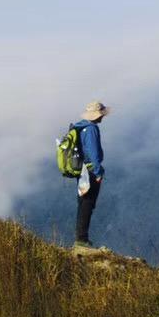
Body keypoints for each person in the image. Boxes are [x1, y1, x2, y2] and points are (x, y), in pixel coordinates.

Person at [69, 101, 108, 250]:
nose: (102, 118)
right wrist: (98, 172)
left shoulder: (80, 127)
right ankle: (82, 239)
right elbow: (93, 152)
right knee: (88, 204)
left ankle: (81, 237)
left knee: (83, 202)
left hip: (82, 170)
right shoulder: (91, 129)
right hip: (90, 171)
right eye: (101, 115)